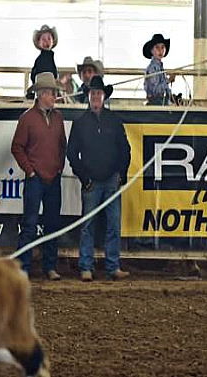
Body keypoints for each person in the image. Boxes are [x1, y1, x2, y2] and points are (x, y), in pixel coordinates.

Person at [67, 75, 131, 282]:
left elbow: (125, 150)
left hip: (111, 179)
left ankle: (112, 266)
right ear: (88, 96)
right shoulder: (80, 123)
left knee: (112, 224)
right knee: (89, 225)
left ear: (104, 96)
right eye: (93, 93)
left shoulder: (114, 120)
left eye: (98, 93)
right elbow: (71, 153)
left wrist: (122, 173)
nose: (95, 96)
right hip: (92, 181)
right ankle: (87, 265)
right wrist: (84, 177)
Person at [11, 72, 67, 281]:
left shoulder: (58, 118)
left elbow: (63, 145)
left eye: (54, 93)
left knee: (52, 223)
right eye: (52, 93)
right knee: (30, 224)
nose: (54, 97)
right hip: (36, 178)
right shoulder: (27, 119)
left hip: (52, 177)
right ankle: (24, 268)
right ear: (42, 94)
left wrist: (59, 167)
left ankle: (49, 266)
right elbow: (17, 147)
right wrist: (30, 170)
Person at [143, 33, 175, 105]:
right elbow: (155, 91)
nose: (160, 51)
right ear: (151, 50)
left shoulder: (160, 67)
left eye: (162, 47)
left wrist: (170, 95)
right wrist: (168, 80)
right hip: (155, 103)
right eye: (157, 47)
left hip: (161, 102)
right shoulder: (152, 68)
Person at [29, 25, 58, 99]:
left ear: (53, 41)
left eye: (49, 39)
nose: (47, 42)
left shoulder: (51, 57)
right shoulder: (40, 59)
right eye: (44, 39)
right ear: (39, 43)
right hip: (42, 90)